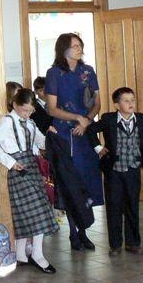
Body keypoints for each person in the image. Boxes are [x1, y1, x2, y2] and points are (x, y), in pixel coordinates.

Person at [0, 88, 59, 274]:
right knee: (37, 212)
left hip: (32, 167)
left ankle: (21, 255)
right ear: (14, 105)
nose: (27, 114)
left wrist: (50, 135)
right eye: (24, 110)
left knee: (27, 214)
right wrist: (11, 163)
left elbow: (40, 142)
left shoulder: (30, 123)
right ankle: (37, 254)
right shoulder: (7, 121)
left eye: (30, 111)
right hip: (18, 170)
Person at [44, 33, 101, 251]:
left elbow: (97, 102)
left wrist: (86, 120)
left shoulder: (88, 71)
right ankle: (73, 233)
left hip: (84, 133)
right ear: (63, 50)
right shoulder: (54, 73)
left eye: (80, 45)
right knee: (69, 182)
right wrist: (77, 117)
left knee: (85, 180)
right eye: (74, 46)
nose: (79, 49)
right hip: (63, 134)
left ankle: (84, 230)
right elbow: (52, 109)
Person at [89, 87, 143, 256]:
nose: (131, 103)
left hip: (132, 169)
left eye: (132, 100)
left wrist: (138, 151)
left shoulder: (140, 118)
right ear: (117, 105)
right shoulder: (108, 119)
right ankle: (115, 244)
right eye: (126, 101)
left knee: (132, 205)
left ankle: (133, 243)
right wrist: (98, 147)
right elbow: (90, 130)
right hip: (114, 171)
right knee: (114, 206)